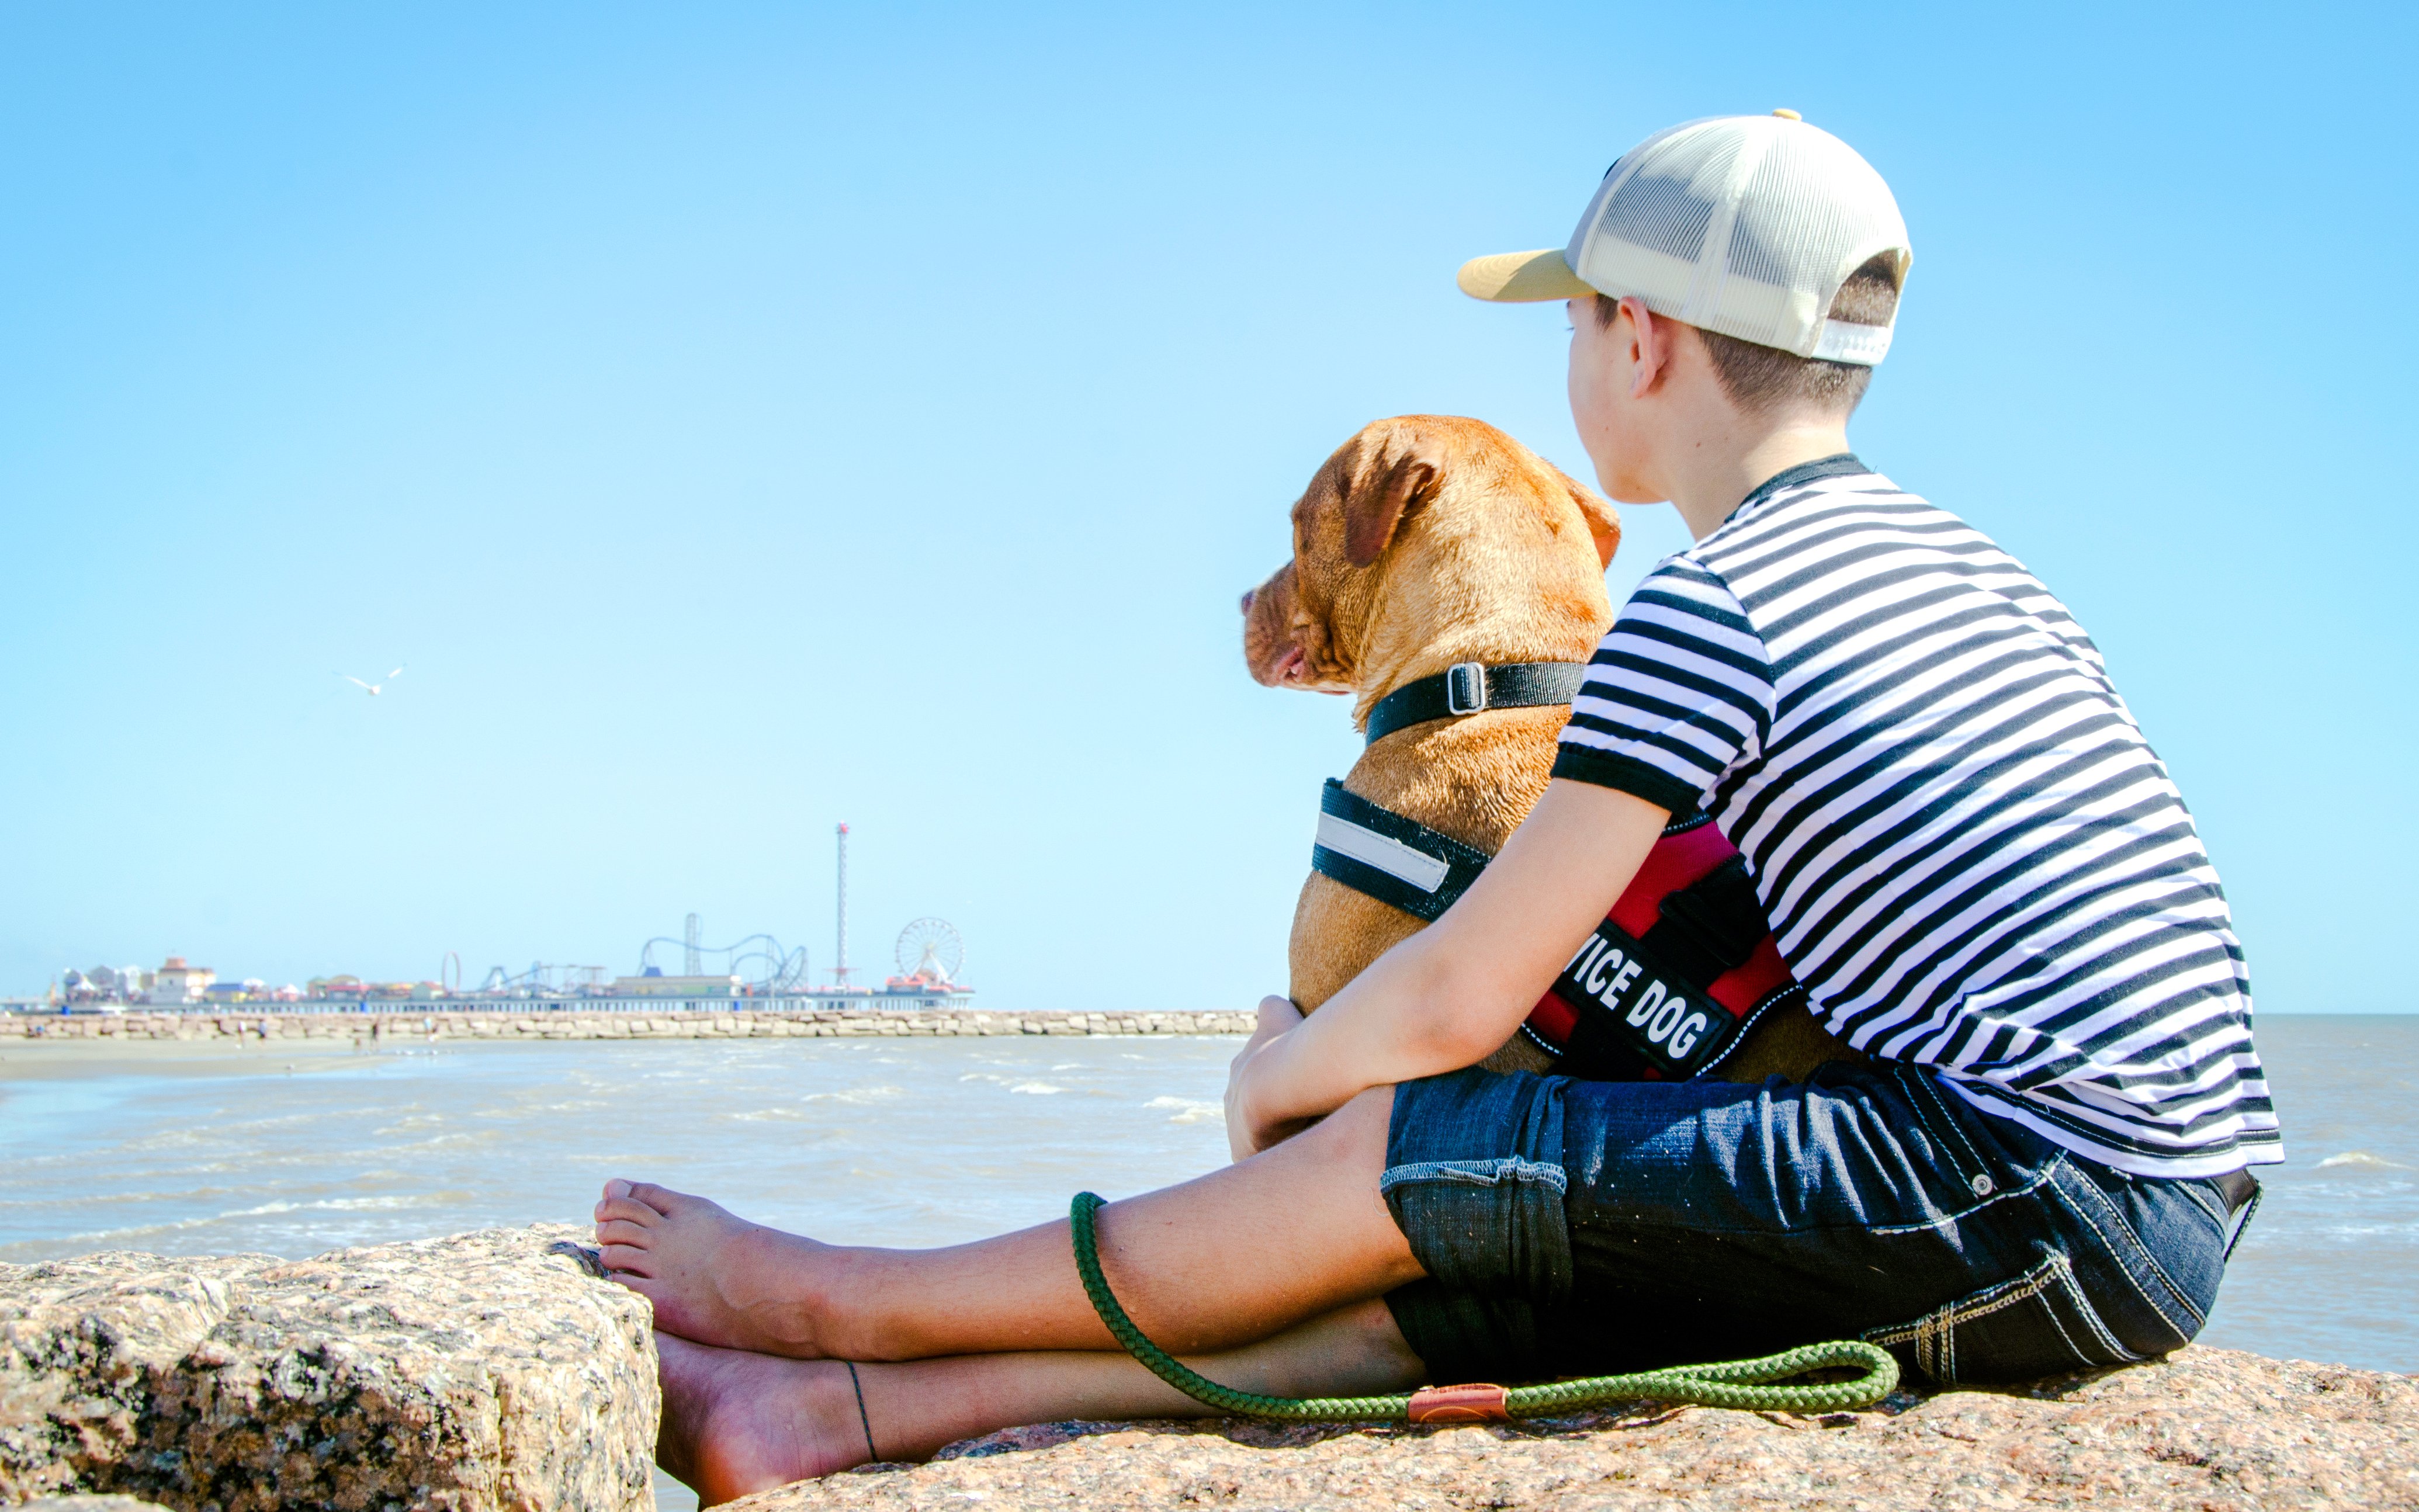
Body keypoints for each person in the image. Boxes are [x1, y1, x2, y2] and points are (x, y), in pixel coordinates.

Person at [594, 113, 2279, 1504]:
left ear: (1641, 335)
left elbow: (1467, 981)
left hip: (2027, 1186)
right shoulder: (1977, 572)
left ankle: (838, 1299)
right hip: (2158, 1207)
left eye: (1566, 317)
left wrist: (1278, 1077)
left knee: (1406, 1151)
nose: (1566, 351)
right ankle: (828, 1420)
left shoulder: (1723, 600)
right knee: (1475, 1258)